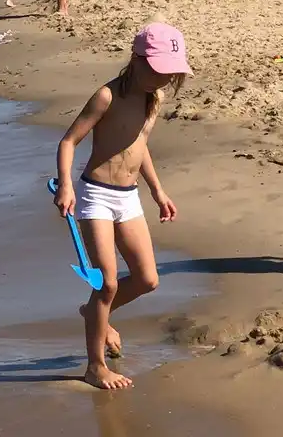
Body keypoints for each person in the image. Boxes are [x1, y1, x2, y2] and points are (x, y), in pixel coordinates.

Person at [53, 22, 190, 390]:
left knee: (147, 279)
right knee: (108, 283)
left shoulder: (153, 99)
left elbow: (138, 146)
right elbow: (69, 142)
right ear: (136, 59)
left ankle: (94, 314)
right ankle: (95, 367)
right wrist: (66, 184)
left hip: (128, 197)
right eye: (157, 70)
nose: (163, 79)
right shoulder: (106, 96)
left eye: (169, 73)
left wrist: (158, 192)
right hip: (95, 194)